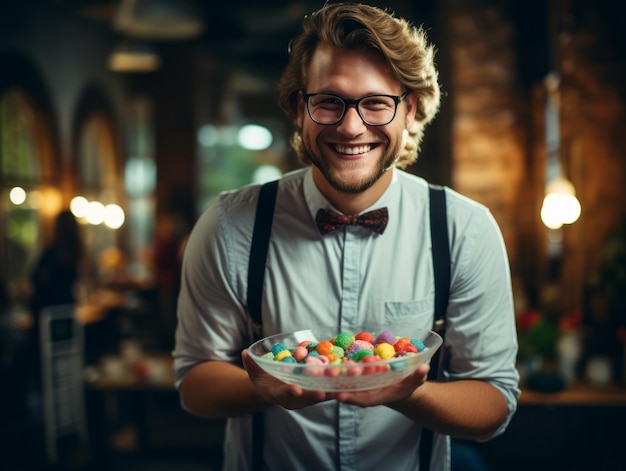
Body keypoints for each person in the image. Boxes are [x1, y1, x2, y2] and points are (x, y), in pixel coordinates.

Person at [173, 3, 520, 470]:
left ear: (410, 110)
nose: (351, 126)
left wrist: (406, 396)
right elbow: (195, 385)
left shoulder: (465, 230)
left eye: (376, 102)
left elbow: (493, 404)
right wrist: (263, 388)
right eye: (329, 101)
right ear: (301, 109)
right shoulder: (230, 224)